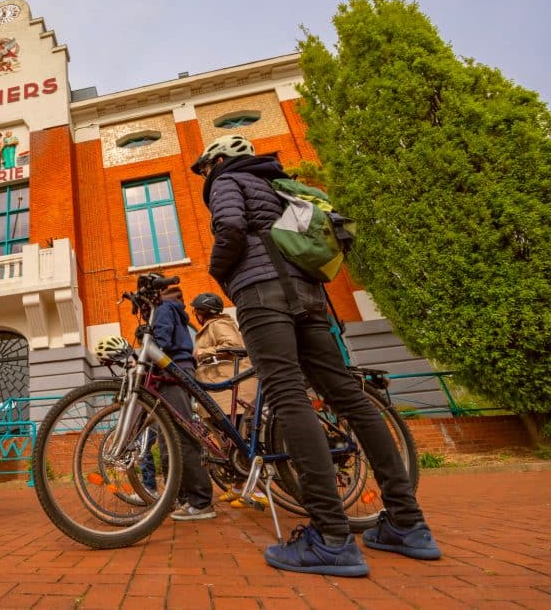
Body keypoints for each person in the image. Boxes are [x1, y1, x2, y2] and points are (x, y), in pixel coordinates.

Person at [191, 134, 441, 576]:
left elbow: (229, 229)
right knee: (348, 396)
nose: (207, 177)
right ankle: (408, 522)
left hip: (263, 296)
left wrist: (219, 271)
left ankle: (331, 538)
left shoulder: (228, 180)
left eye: (207, 167)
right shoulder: (278, 184)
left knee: (288, 396)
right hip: (309, 297)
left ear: (220, 160)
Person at [190, 292, 265, 510]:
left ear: (201, 312)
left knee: (239, 439)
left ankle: (258, 491)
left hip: (233, 389)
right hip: (221, 390)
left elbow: (233, 345)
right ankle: (239, 486)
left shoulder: (217, 324)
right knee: (230, 443)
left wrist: (203, 352)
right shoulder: (212, 326)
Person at [148, 283, 215, 521]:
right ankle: (183, 498)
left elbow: (161, 341)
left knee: (181, 435)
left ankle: (201, 500)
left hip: (172, 370)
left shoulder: (164, 307)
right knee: (169, 439)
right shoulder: (168, 308)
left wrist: (145, 347)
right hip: (172, 370)